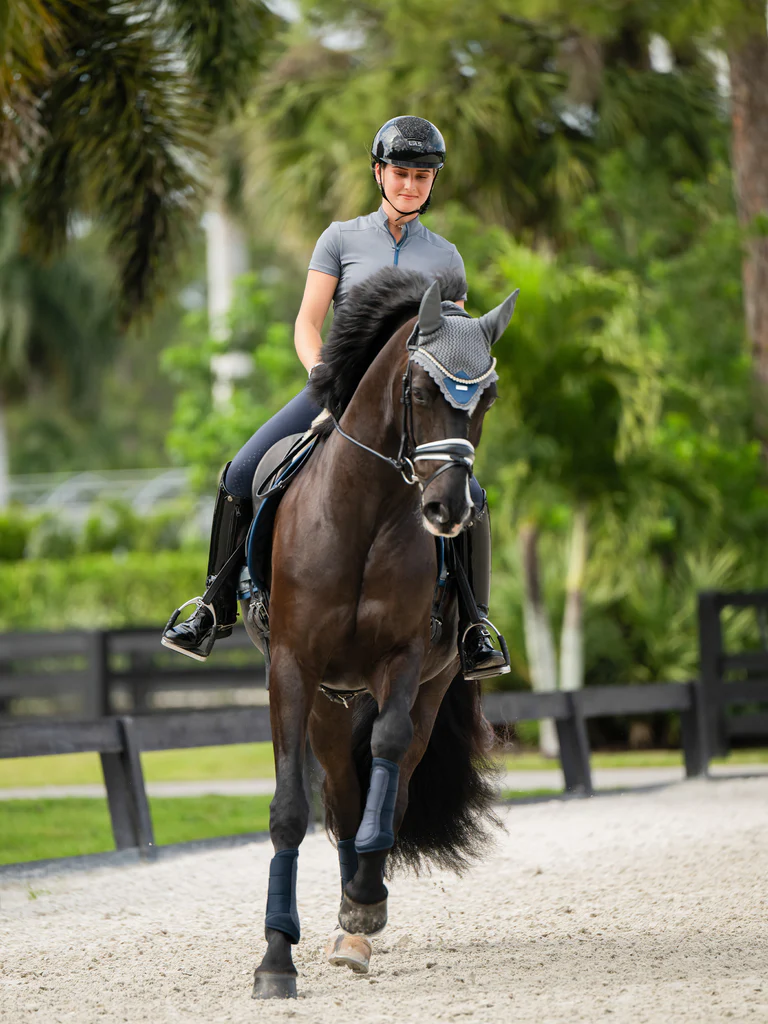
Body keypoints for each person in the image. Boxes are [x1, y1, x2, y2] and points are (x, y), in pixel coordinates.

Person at [162, 115, 510, 679]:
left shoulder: (446, 258)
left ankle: (474, 625)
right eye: (400, 173)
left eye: (422, 176)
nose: (410, 185)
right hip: (334, 391)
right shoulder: (340, 239)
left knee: (474, 494)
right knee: (241, 471)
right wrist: (325, 377)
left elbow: (454, 340)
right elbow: (306, 322)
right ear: (379, 173)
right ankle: (213, 606)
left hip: (409, 410)